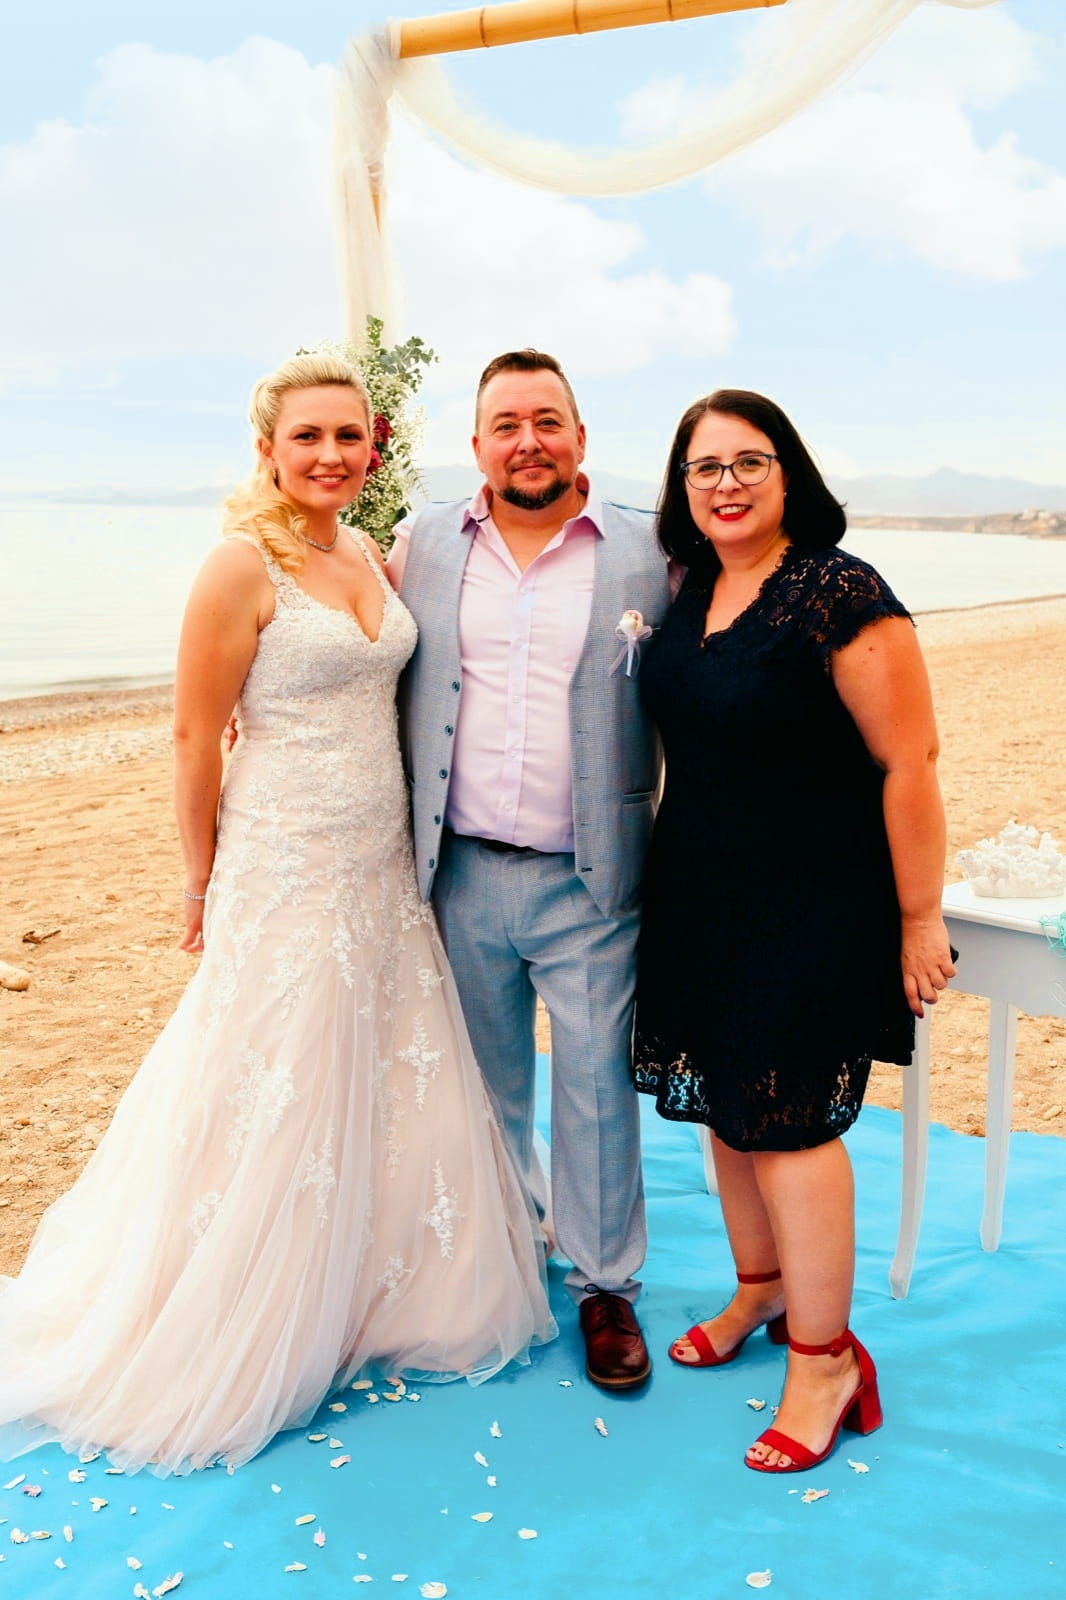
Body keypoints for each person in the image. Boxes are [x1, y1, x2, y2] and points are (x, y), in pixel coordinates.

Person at [0, 353, 555, 1476]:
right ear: (267, 450)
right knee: (273, 1069)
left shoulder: (365, 550)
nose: (330, 455)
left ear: (374, 448)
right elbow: (191, 739)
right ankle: (246, 1294)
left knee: (380, 1062)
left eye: (350, 436)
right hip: (282, 860)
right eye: (308, 437)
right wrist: (200, 880)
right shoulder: (235, 565)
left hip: (378, 864)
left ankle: (372, 1281)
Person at [633, 389, 955, 1471]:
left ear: (789, 475)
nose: (724, 482)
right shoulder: (689, 591)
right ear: (682, 489)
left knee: (788, 1124)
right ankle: (761, 1291)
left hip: (811, 901)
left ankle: (824, 1357)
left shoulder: (837, 590)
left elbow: (909, 762)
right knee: (725, 1113)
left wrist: (918, 916)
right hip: (696, 893)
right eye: (703, 467)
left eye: (747, 461)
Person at [387, 350, 672, 1390]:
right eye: (505, 423)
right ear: (476, 447)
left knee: (597, 1081)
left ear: (580, 436)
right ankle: (504, 1246)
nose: (528, 440)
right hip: (455, 867)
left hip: (590, 874)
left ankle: (605, 1286)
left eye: (546, 419)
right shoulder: (419, 542)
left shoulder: (649, 552)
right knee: (483, 1079)